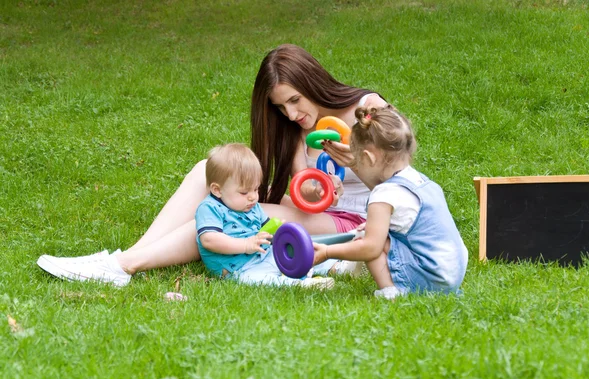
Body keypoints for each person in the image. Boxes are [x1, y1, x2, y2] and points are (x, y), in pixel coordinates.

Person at [36, 44, 388, 286]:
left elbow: (399, 175)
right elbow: (305, 188)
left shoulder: (368, 107)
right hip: (314, 212)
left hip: (356, 218)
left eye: (295, 100)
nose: (292, 114)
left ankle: (124, 265)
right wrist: (313, 189)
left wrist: (356, 159)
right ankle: (129, 255)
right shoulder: (300, 128)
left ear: (313, 82)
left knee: (218, 215)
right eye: (282, 108)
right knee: (207, 170)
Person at [312, 106, 468, 299]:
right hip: (452, 273)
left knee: (365, 240)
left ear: (368, 157)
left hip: (431, 279)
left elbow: (371, 248)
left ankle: (392, 291)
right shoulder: (421, 182)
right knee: (370, 231)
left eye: (357, 160)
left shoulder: (383, 194)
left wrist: (327, 252)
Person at [195, 143, 334, 289]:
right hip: (238, 268)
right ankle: (303, 285)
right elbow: (209, 240)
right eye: (244, 192)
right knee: (261, 280)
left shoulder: (252, 206)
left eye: (256, 189)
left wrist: (280, 232)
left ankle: (337, 266)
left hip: (264, 255)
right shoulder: (209, 208)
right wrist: (246, 245)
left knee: (298, 254)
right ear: (217, 190)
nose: (253, 197)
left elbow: (267, 233)